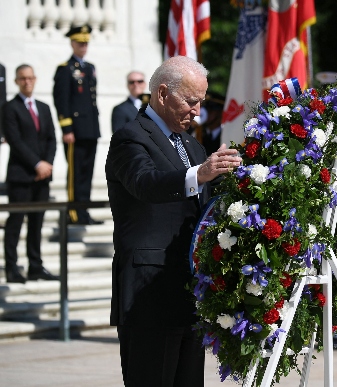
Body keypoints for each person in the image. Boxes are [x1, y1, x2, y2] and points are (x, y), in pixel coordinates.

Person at [106, 56, 242, 386]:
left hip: (189, 296)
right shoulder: (130, 137)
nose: (197, 111)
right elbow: (146, 182)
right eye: (191, 101)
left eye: (201, 102)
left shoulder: (192, 146)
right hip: (149, 296)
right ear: (164, 93)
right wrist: (201, 173)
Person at [2, 64, 58, 283]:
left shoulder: (43, 107)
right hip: (21, 176)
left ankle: (36, 265)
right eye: (22, 78)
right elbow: (15, 141)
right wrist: (37, 164)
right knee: (16, 222)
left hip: (42, 177)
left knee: (37, 223)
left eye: (30, 78)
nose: (27, 82)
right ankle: (12, 267)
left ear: (35, 80)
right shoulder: (9, 107)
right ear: (16, 81)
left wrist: (48, 165)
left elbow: (52, 138)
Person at [53, 25, 102, 226]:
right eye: (80, 43)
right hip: (75, 131)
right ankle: (73, 213)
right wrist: (67, 129)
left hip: (90, 129)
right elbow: (61, 100)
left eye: (85, 43)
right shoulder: (65, 69)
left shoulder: (89, 68)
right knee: (76, 173)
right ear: (72, 43)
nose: (83, 46)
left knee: (87, 173)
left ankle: (84, 212)